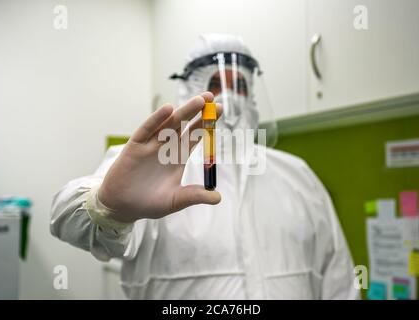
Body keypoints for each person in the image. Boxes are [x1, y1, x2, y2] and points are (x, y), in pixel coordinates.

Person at [51, 34, 359, 299]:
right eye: (216, 82)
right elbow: (65, 218)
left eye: (239, 84)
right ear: (189, 91)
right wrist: (108, 205)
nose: (230, 97)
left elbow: (339, 281)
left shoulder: (297, 175)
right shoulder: (159, 169)